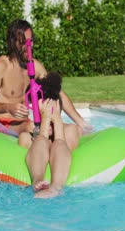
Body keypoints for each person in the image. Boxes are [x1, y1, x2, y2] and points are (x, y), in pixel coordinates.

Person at [0, 19, 92, 136]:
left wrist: (81, 122)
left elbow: (56, 92)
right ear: (13, 42)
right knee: (31, 127)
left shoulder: (35, 66)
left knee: (70, 129)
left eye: (31, 41)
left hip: (25, 123)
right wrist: (8, 108)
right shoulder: (0, 65)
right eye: (24, 42)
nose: (30, 46)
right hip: (3, 124)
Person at [19, 71, 80, 199]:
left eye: (50, 116)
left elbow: (63, 148)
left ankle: (56, 187)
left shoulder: (70, 130)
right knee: (37, 140)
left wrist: (56, 120)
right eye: (41, 116)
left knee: (58, 142)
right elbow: (35, 144)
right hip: (39, 156)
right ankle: (38, 181)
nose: (47, 122)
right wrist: (45, 122)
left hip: (61, 146)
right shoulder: (29, 135)